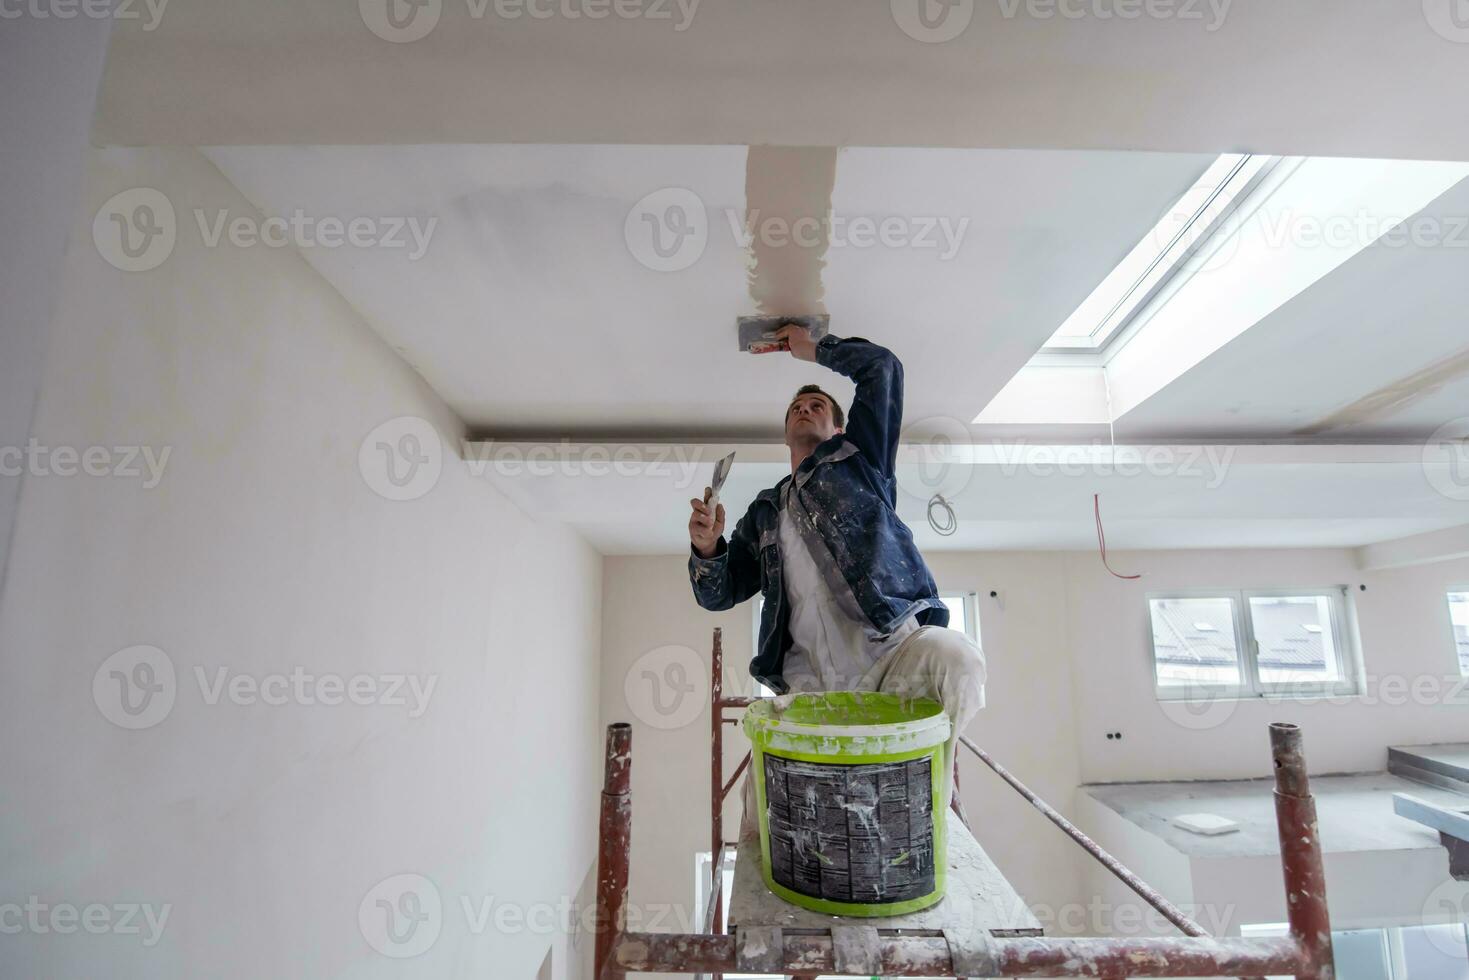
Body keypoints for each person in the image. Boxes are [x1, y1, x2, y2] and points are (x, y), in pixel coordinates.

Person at [687, 324, 986, 834]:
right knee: (761, 795)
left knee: (959, 661)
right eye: (796, 408)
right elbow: (718, 594)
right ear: (785, 432)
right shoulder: (763, 512)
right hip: (809, 683)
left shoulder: (862, 462)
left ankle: (932, 799)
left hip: (892, 654)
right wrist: (707, 547)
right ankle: (764, 893)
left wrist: (812, 349)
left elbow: (883, 369)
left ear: (841, 429)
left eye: (817, 405)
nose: (804, 408)